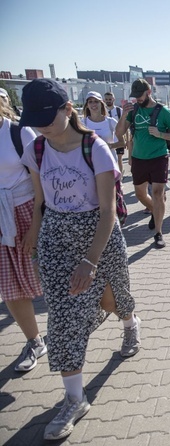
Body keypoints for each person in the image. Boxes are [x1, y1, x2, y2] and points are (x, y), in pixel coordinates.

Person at [19, 78, 140, 441]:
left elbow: (107, 212)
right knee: (62, 314)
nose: (41, 126)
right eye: (34, 119)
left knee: (113, 297)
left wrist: (90, 261)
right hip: (56, 236)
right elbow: (41, 201)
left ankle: (130, 321)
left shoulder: (95, 148)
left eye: (47, 117)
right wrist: (35, 237)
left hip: (98, 234)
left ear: (67, 110)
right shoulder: (37, 150)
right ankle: (74, 399)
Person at [0, 96, 47, 373]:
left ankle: (78, 322)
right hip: (2, 219)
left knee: (53, 274)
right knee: (10, 287)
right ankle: (35, 341)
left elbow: (41, 178)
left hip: (28, 210)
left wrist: (35, 224)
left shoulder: (18, 132)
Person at [115, 79, 170, 248]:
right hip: (139, 158)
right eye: (135, 96)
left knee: (158, 193)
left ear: (149, 92)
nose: (137, 99)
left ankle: (158, 233)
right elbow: (119, 133)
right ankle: (155, 210)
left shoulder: (162, 111)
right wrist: (123, 115)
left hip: (158, 157)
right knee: (139, 194)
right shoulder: (133, 110)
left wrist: (160, 134)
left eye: (140, 95)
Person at [103, 92, 126, 174]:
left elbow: (124, 125)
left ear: (114, 99)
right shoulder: (102, 111)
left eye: (110, 99)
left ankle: (120, 176)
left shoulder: (119, 111)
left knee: (119, 158)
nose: (108, 101)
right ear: (104, 100)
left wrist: (126, 138)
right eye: (106, 99)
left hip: (118, 139)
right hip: (107, 139)